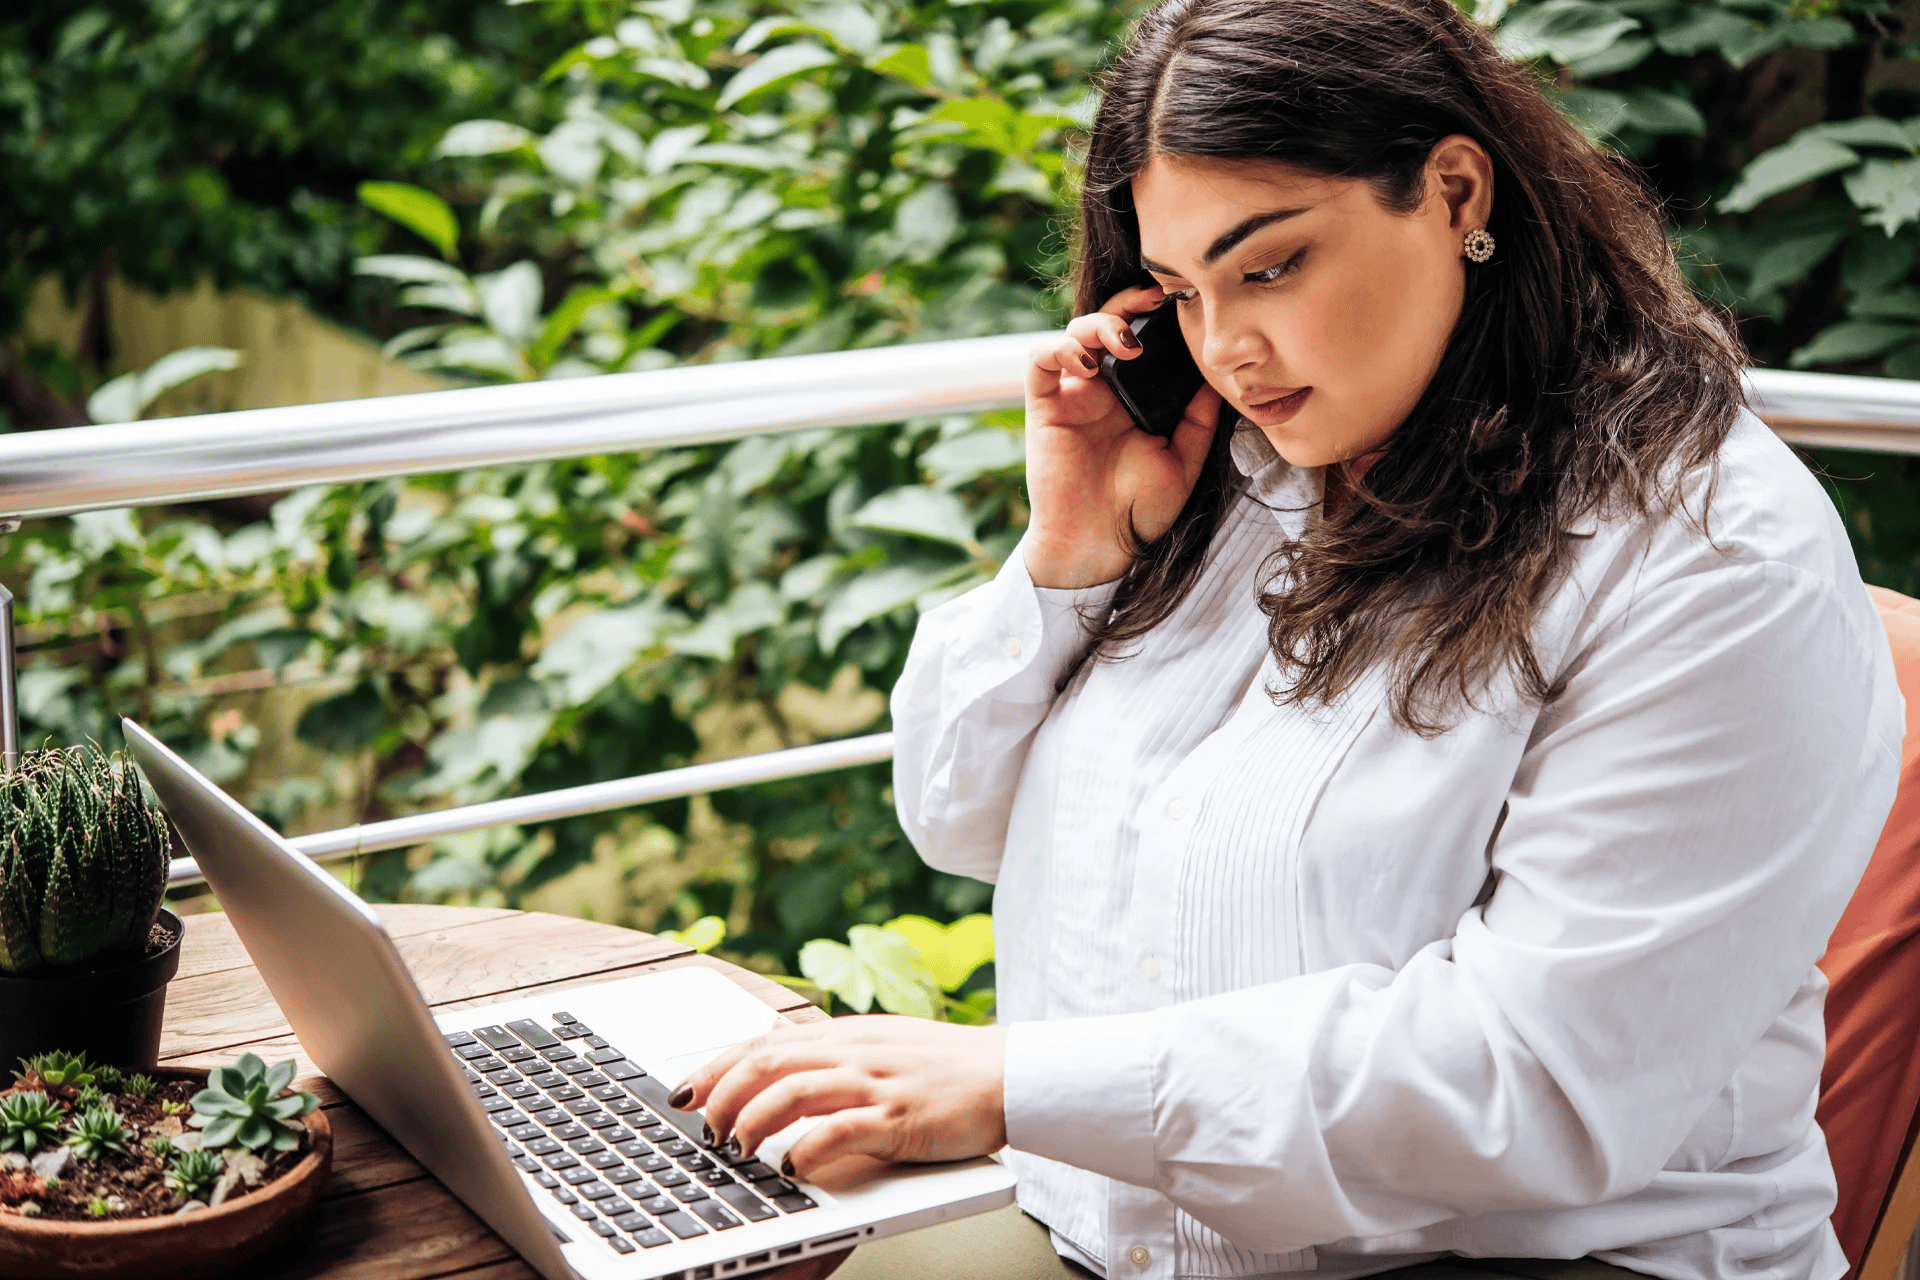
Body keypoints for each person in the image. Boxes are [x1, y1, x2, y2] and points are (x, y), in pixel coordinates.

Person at [674, 1, 1904, 1277]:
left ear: (1453, 189)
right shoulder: (1242, 463)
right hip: (1117, 1226)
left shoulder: (1709, 555)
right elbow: (957, 821)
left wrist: (1019, 1079)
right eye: (1185, 291)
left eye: (1269, 266)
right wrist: (1070, 559)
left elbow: (1536, 1082)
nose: (1229, 348)